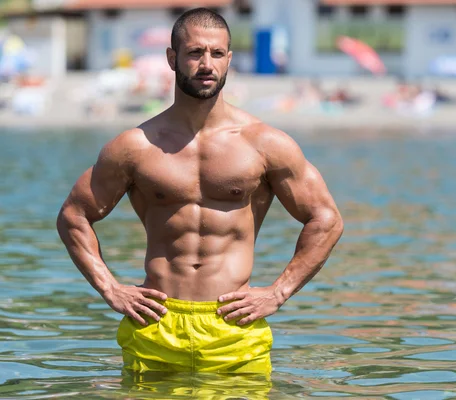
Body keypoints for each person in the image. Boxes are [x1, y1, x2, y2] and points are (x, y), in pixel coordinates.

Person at [56, 8, 343, 376]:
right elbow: (74, 216)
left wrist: (278, 291)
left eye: (217, 53)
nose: (207, 63)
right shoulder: (136, 146)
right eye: (195, 53)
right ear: (172, 59)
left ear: (229, 60)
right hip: (155, 325)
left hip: (234, 327)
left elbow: (326, 219)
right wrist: (110, 288)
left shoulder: (265, 143)